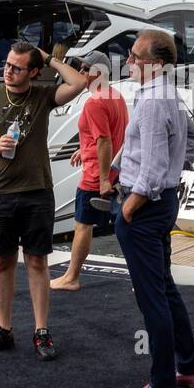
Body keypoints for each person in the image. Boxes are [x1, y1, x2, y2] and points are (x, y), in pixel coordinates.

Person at [0, 39, 87, 361]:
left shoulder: (41, 95)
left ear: (33, 71)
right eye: (7, 65)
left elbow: (78, 82)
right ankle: (3, 329)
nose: (8, 71)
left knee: (37, 260)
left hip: (37, 191)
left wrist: (49, 58)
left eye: (17, 67)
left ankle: (41, 330)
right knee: (2, 260)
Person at [114, 29, 194, 388]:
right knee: (165, 289)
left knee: (152, 297)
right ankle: (189, 367)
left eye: (134, 57)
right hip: (162, 202)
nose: (128, 63)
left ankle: (162, 385)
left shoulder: (153, 101)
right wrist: (171, 169)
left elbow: (151, 166)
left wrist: (131, 203)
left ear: (154, 63)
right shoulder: (166, 94)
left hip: (146, 208)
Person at [51, 51, 128, 292]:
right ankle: (141, 274)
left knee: (82, 226)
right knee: (123, 227)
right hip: (114, 171)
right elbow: (114, 135)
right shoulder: (115, 96)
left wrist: (103, 178)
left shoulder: (94, 102)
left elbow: (104, 140)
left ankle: (72, 277)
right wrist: (84, 150)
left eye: (84, 69)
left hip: (96, 176)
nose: (80, 73)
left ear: (97, 73)